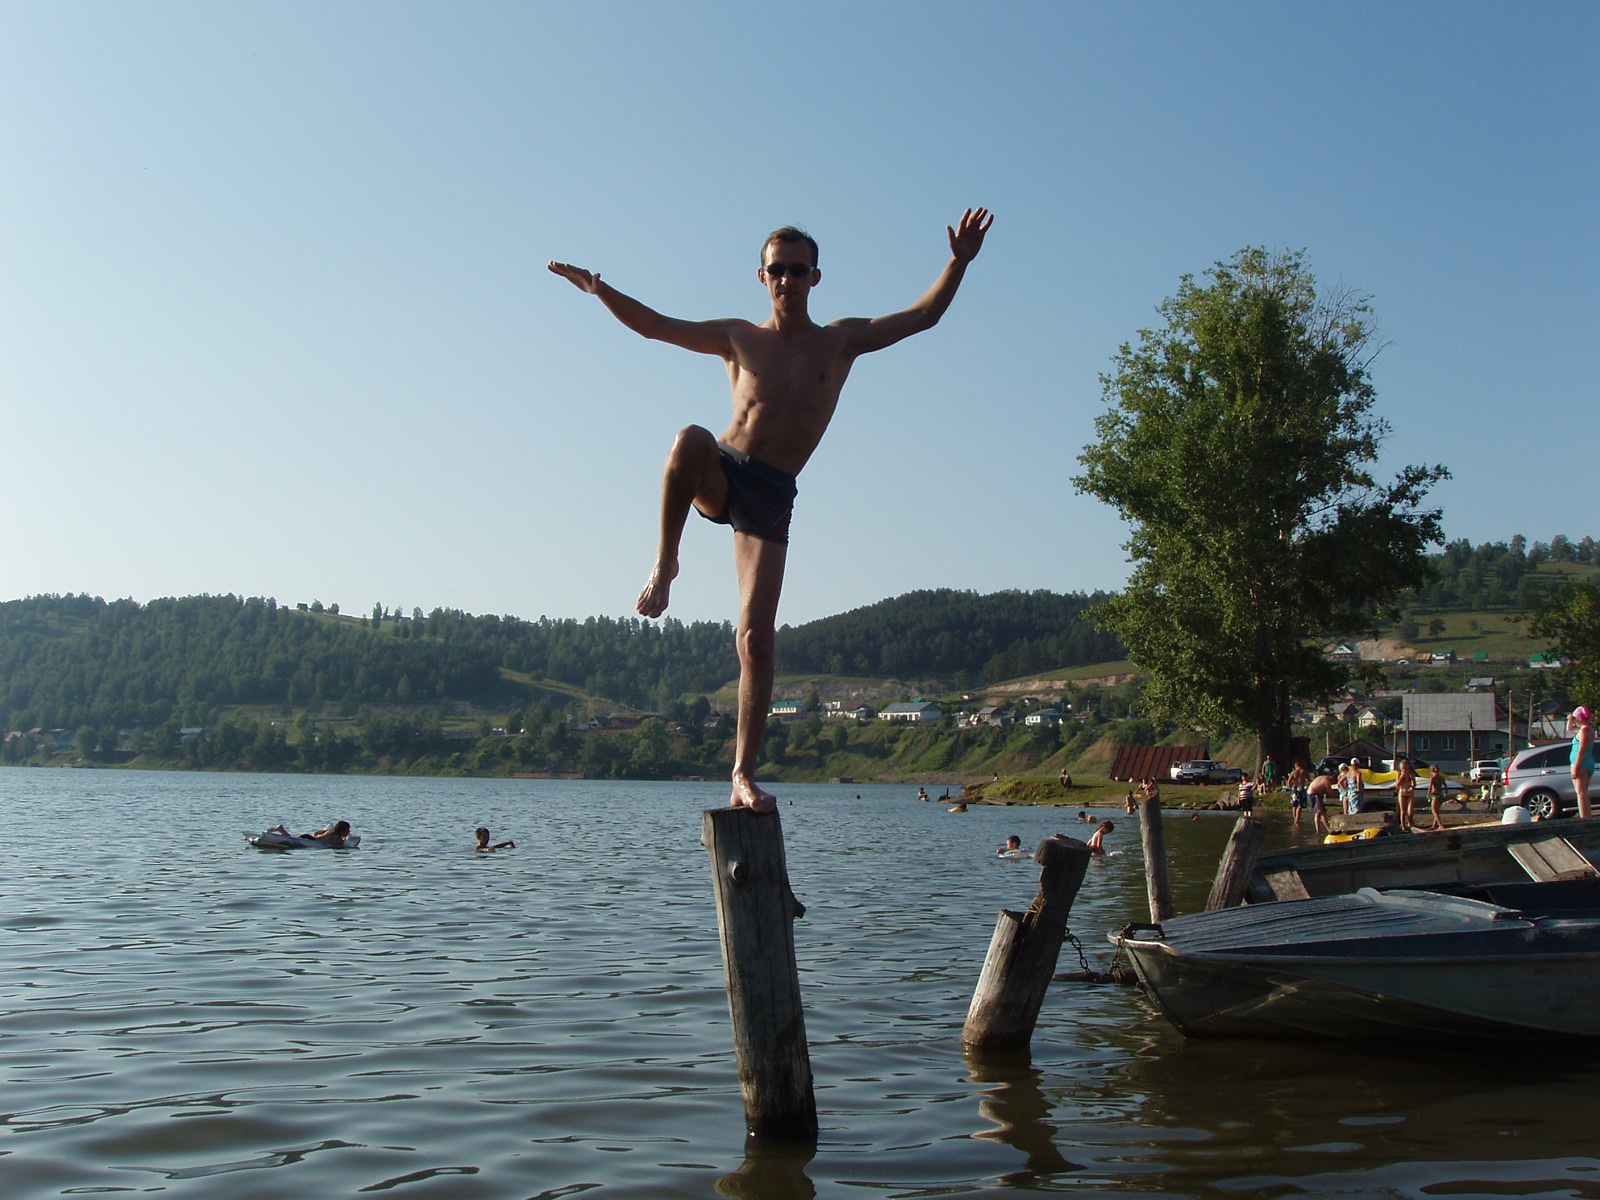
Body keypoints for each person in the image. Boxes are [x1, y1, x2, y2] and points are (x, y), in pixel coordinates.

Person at [549, 209, 993, 815]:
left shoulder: (840, 341)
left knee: (756, 640)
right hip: (722, 469)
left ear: (815, 278)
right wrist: (600, 291)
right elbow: (655, 327)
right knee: (689, 439)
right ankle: (666, 562)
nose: (787, 279)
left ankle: (742, 774)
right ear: (762, 277)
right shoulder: (738, 338)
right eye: (777, 270)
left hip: (772, 494)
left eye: (798, 270)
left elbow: (923, 316)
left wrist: (957, 262)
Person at [1570, 706, 1595, 820]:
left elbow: (1582, 750)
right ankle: (1587, 816)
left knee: (1580, 793)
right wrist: (1570, 720)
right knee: (1584, 792)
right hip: (1587, 763)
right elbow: (1570, 729)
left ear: (1579, 718)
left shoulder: (1584, 731)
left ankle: (1584, 818)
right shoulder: (1589, 729)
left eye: (1575, 718)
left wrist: (1576, 767)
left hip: (1581, 764)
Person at [266, 819, 351, 847]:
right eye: (348, 830)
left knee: (291, 838)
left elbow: (316, 833)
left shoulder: (330, 831)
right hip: (311, 840)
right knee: (290, 839)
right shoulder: (337, 837)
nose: (349, 831)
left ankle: (281, 830)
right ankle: (281, 829)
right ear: (343, 830)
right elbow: (338, 845)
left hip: (309, 837)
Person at [1306, 772, 1335, 836]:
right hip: (1314, 794)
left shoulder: (1322, 777)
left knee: (1318, 813)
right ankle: (1329, 829)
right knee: (1322, 812)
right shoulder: (1326, 780)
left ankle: (1318, 831)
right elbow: (1330, 793)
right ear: (1332, 778)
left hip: (1311, 794)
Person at [1394, 755, 1418, 832]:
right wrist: (1401, 778)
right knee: (1403, 812)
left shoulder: (1411, 774)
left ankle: (1410, 823)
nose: (1404, 770)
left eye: (1405, 768)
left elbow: (1414, 784)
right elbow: (1397, 785)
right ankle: (1403, 826)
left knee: (1410, 812)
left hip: (1410, 793)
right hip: (1402, 793)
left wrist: (1412, 787)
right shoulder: (1399, 774)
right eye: (1403, 768)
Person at [1424, 763, 1447, 831]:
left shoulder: (1433, 778)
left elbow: (1430, 787)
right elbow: (1446, 786)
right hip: (1440, 794)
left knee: (1434, 810)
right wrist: (1445, 793)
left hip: (1435, 794)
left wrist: (1428, 795)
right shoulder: (1441, 778)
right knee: (1437, 810)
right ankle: (1434, 825)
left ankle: (1440, 825)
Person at [1285, 763, 1309, 828]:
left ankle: (1295, 819)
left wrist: (1291, 785)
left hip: (1294, 788)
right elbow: (1308, 779)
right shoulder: (1304, 771)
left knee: (1294, 804)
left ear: (1295, 766)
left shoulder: (1293, 772)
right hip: (1301, 788)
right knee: (1300, 804)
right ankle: (1297, 820)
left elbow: (1288, 782)